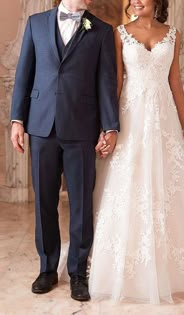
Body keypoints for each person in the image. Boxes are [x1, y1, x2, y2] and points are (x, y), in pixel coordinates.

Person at [89, 0, 184, 304]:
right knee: (129, 185)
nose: (136, 1)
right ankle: (125, 269)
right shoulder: (119, 33)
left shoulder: (173, 35)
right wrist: (107, 124)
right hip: (131, 116)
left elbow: (174, 81)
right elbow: (116, 80)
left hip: (163, 118)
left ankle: (169, 270)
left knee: (168, 187)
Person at [10, 0, 119, 302]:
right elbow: (24, 74)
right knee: (44, 200)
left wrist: (110, 126)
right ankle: (47, 269)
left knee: (81, 203)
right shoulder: (36, 24)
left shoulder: (101, 31)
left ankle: (78, 273)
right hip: (41, 125)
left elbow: (106, 81)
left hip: (82, 129)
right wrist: (17, 120)